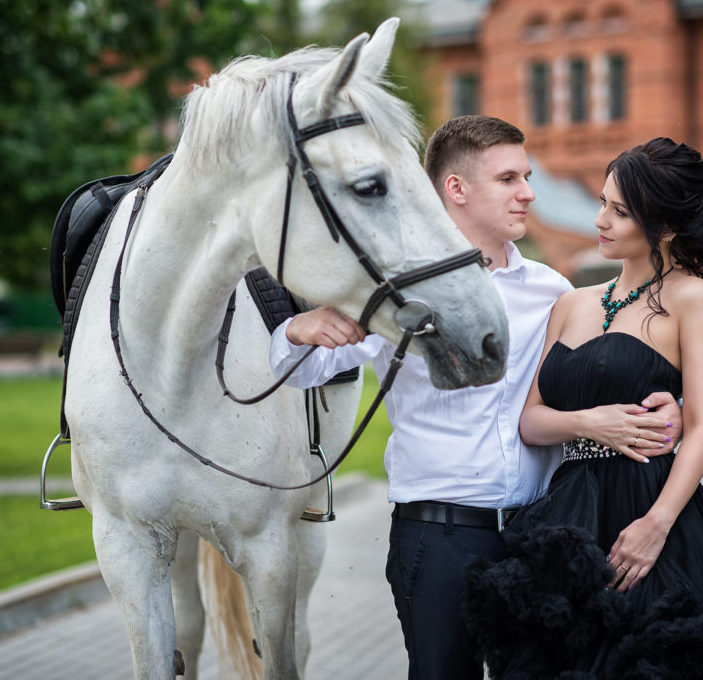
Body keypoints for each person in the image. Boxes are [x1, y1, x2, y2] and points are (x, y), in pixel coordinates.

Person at [269, 116, 681, 679]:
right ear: (456, 189)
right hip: (442, 539)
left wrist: (662, 405)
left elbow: (605, 376)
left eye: (527, 176)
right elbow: (301, 371)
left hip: (544, 537)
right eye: (509, 178)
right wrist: (298, 331)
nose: (529, 193)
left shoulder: (553, 291)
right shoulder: (396, 292)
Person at [462, 137, 703, 678]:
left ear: (662, 226)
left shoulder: (691, 298)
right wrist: (588, 422)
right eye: (602, 203)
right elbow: (530, 420)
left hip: (649, 506)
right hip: (566, 514)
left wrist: (656, 525)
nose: (600, 220)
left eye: (619, 212)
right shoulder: (571, 303)